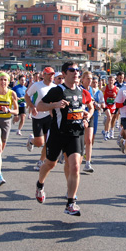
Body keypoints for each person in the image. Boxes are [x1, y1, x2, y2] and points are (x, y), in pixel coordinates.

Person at [35, 62, 94, 216]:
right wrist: (55, 104)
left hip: (76, 133)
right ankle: (40, 185)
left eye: (77, 70)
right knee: (50, 164)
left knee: (75, 166)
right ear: (64, 73)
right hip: (58, 134)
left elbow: (84, 108)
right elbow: (39, 106)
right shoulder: (57, 90)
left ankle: (70, 203)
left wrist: (86, 116)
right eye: (72, 70)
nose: (76, 73)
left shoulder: (82, 91)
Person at [25, 67, 56, 170]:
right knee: (40, 142)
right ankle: (31, 140)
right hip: (38, 116)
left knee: (48, 141)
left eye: (52, 74)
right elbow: (27, 96)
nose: (51, 76)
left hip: (49, 116)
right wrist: (32, 106)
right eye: (49, 74)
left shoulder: (55, 87)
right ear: (44, 75)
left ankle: (41, 161)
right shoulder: (37, 85)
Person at [102, 75, 119, 140]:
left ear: (114, 81)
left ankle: (105, 130)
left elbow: (119, 98)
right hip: (106, 105)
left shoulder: (117, 89)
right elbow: (101, 95)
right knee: (109, 117)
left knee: (110, 119)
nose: (111, 81)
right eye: (109, 80)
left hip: (113, 105)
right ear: (107, 81)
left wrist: (116, 95)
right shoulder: (104, 88)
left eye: (112, 80)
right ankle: (107, 132)